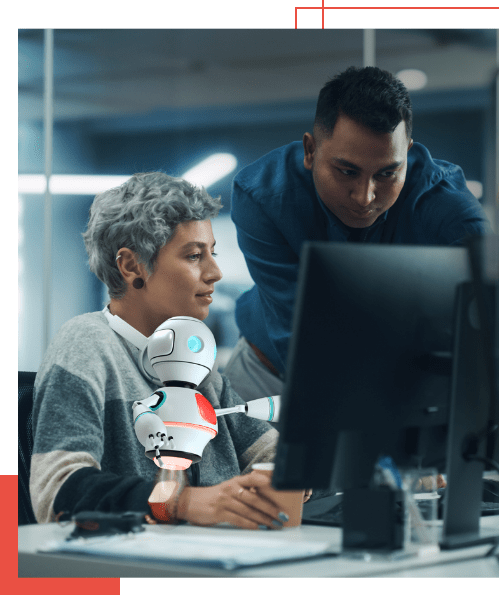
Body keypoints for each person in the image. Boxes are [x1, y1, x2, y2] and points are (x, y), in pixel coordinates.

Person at [30, 172, 310, 531]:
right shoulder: (86, 344)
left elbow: (273, 457)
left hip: (214, 556)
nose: (215, 272)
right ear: (132, 266)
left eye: (213, 253)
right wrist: (181, 502)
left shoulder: (197, 367)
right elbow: (56, 491)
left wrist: (295, 475)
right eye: (194, 255)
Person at [224, 66, 492, 402]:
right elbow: (302, 329)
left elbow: (484, 335)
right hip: (267, 377)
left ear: (407, 154)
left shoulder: (452, 215)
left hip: (396, 385)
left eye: (387, 173)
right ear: (310, 151)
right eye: (347, 172)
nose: (365, 197)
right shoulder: (261, 196)